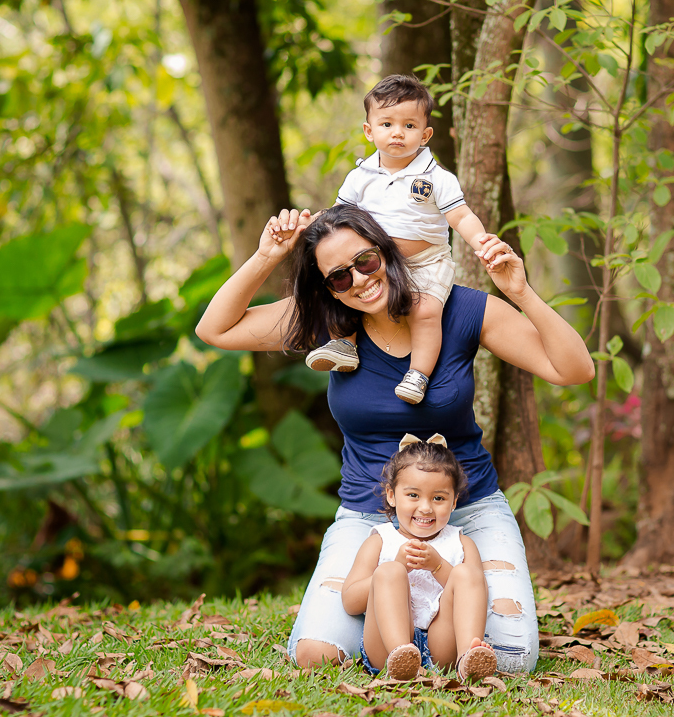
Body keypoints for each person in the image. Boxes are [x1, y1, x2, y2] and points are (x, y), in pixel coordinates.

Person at [195, 204, 594, 674]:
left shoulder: (461, 308)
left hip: (467, 511)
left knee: (513, 660)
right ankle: (405, 636)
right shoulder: (330, 325)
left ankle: (437, 630)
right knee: (317, 656)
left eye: (365, 261)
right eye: (339, 277)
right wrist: (267, 255)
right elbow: (214, 329)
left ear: (387, 250)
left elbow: (574, 369)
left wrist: (520, 292)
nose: (359, 281)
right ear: (328, 288)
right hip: (369, 517)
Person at [290, 74, 489, 405]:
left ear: (425, 135)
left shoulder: (436, 178)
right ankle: (344, 343)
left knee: (424, 311)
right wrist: (307, 224)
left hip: (426, 263)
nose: (398, 132)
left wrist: (482, 242)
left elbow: (461, 216)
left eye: (409, 126)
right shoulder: (360, 176)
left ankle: (419, 373)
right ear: (369, 131)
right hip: (374, 264)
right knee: (346, 288)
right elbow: (337, 216)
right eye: (386, 124)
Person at [343, 434, 497, 682]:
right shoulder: (379, 541)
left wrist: (437, 565)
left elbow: (474, 596)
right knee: (388, 571)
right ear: (392, 495)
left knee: (468, 573)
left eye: (438, 498)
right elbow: (351, 601)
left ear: (454, 501)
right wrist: (396, 566)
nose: (426, 507)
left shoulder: (461, 543)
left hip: (441, 647)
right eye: (413, 495)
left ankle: (468, 658)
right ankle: (401, 656)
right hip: (384, 648)